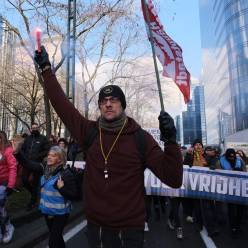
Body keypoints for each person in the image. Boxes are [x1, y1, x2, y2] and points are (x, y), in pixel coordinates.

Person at [34, 47, 183, 247]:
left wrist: (171, 141)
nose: (108, 104)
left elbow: (173, 179)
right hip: (98, 230)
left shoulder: (141, 138)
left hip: (131, 230)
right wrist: (46, 69)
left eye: (114, 100)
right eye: (103, 101)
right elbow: (62, 105)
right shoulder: (90, 132)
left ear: (122, 105)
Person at [14, 146, 78, 248]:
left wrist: (61, 188)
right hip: (47, 212)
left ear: (60, 159)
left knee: (52, 242)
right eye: (49, 155)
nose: (49, 157)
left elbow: (74, 195)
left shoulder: (66, 173)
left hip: (60, 214)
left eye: (53, 156)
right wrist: (17, 152)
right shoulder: (45, 169)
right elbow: (28, 164)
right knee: (57, 239)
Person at [19, 123, 50, 210]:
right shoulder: (28, 139)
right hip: (27, 163)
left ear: (38, 129)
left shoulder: (43, 139)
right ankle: (34, 193)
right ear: (31, 129)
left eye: (36, 128)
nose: (34, 129)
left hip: (37, 164)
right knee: (24, 180)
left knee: (36, 183)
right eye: (33, 128)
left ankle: (32, 202)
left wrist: (38, 156)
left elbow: (47, 150)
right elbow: (23, 149)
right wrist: (24, 157)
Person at [219, 148, 246, 238]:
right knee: (231, 209)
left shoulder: (239, 161)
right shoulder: (221, 161)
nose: (232, 158)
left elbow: (245, 172)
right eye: (229, 158)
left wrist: (240, 171)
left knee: (240, 209)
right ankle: (232, 227)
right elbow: (218, 174)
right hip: (229, 188)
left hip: (240, 188)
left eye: (233, 157)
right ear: (226, 156)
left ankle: (238, 225)